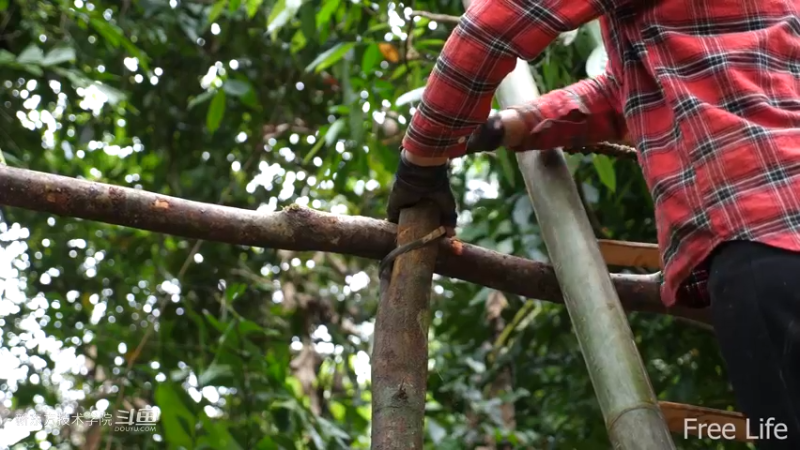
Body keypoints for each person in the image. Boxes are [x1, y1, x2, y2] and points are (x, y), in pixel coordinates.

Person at [386, 0, 800, 448]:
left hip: (762, 238)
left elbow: (494, 24)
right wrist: (510, 125)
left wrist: (421, 162)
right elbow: (640, 88)